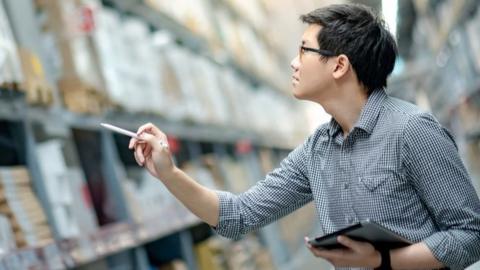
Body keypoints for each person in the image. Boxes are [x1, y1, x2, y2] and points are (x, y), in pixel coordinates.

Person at [129, 3, 480, 269]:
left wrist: (380, 261)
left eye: (303, 51)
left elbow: (470, 235)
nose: (294, 63)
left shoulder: (412, 131)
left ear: (339, 65)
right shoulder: (318, 150)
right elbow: (239, 215)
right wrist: (169, 173)